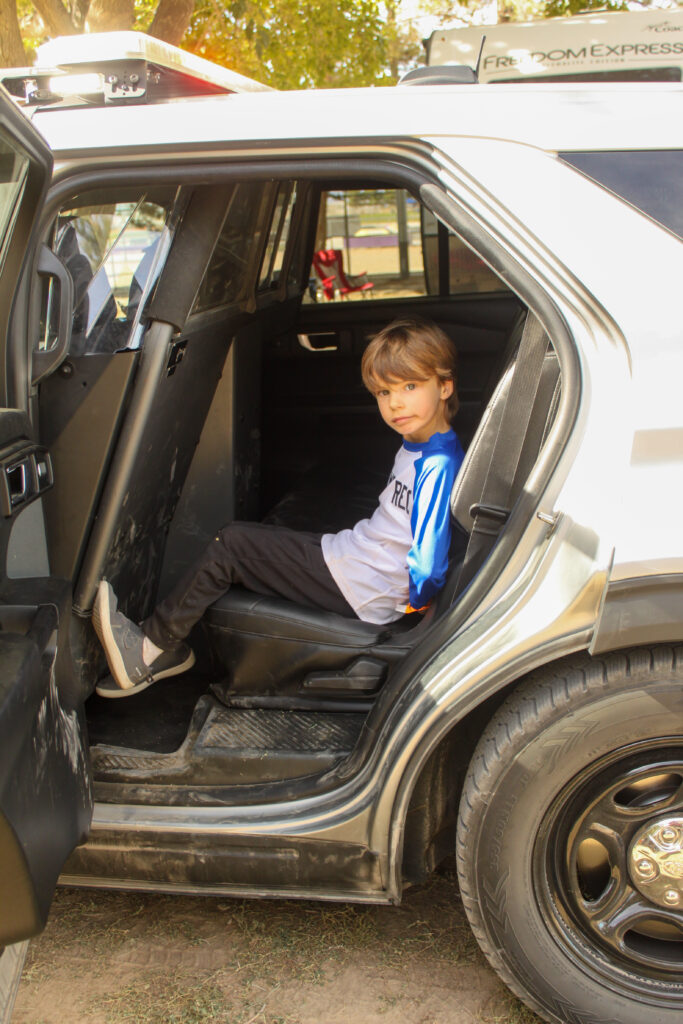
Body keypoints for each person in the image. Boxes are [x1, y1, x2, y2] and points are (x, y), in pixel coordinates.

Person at [93, 317, 466, 698]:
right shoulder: (421, 444)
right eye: (384, 393)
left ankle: (149, 650)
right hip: (355, 559)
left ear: (444, 386)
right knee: (257, 538)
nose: (395, 403)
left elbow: (429, 559)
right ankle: (164, 646)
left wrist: (415, 612)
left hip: (362, 586)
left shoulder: (437, 465)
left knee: (231, 543)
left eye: (410, 386)